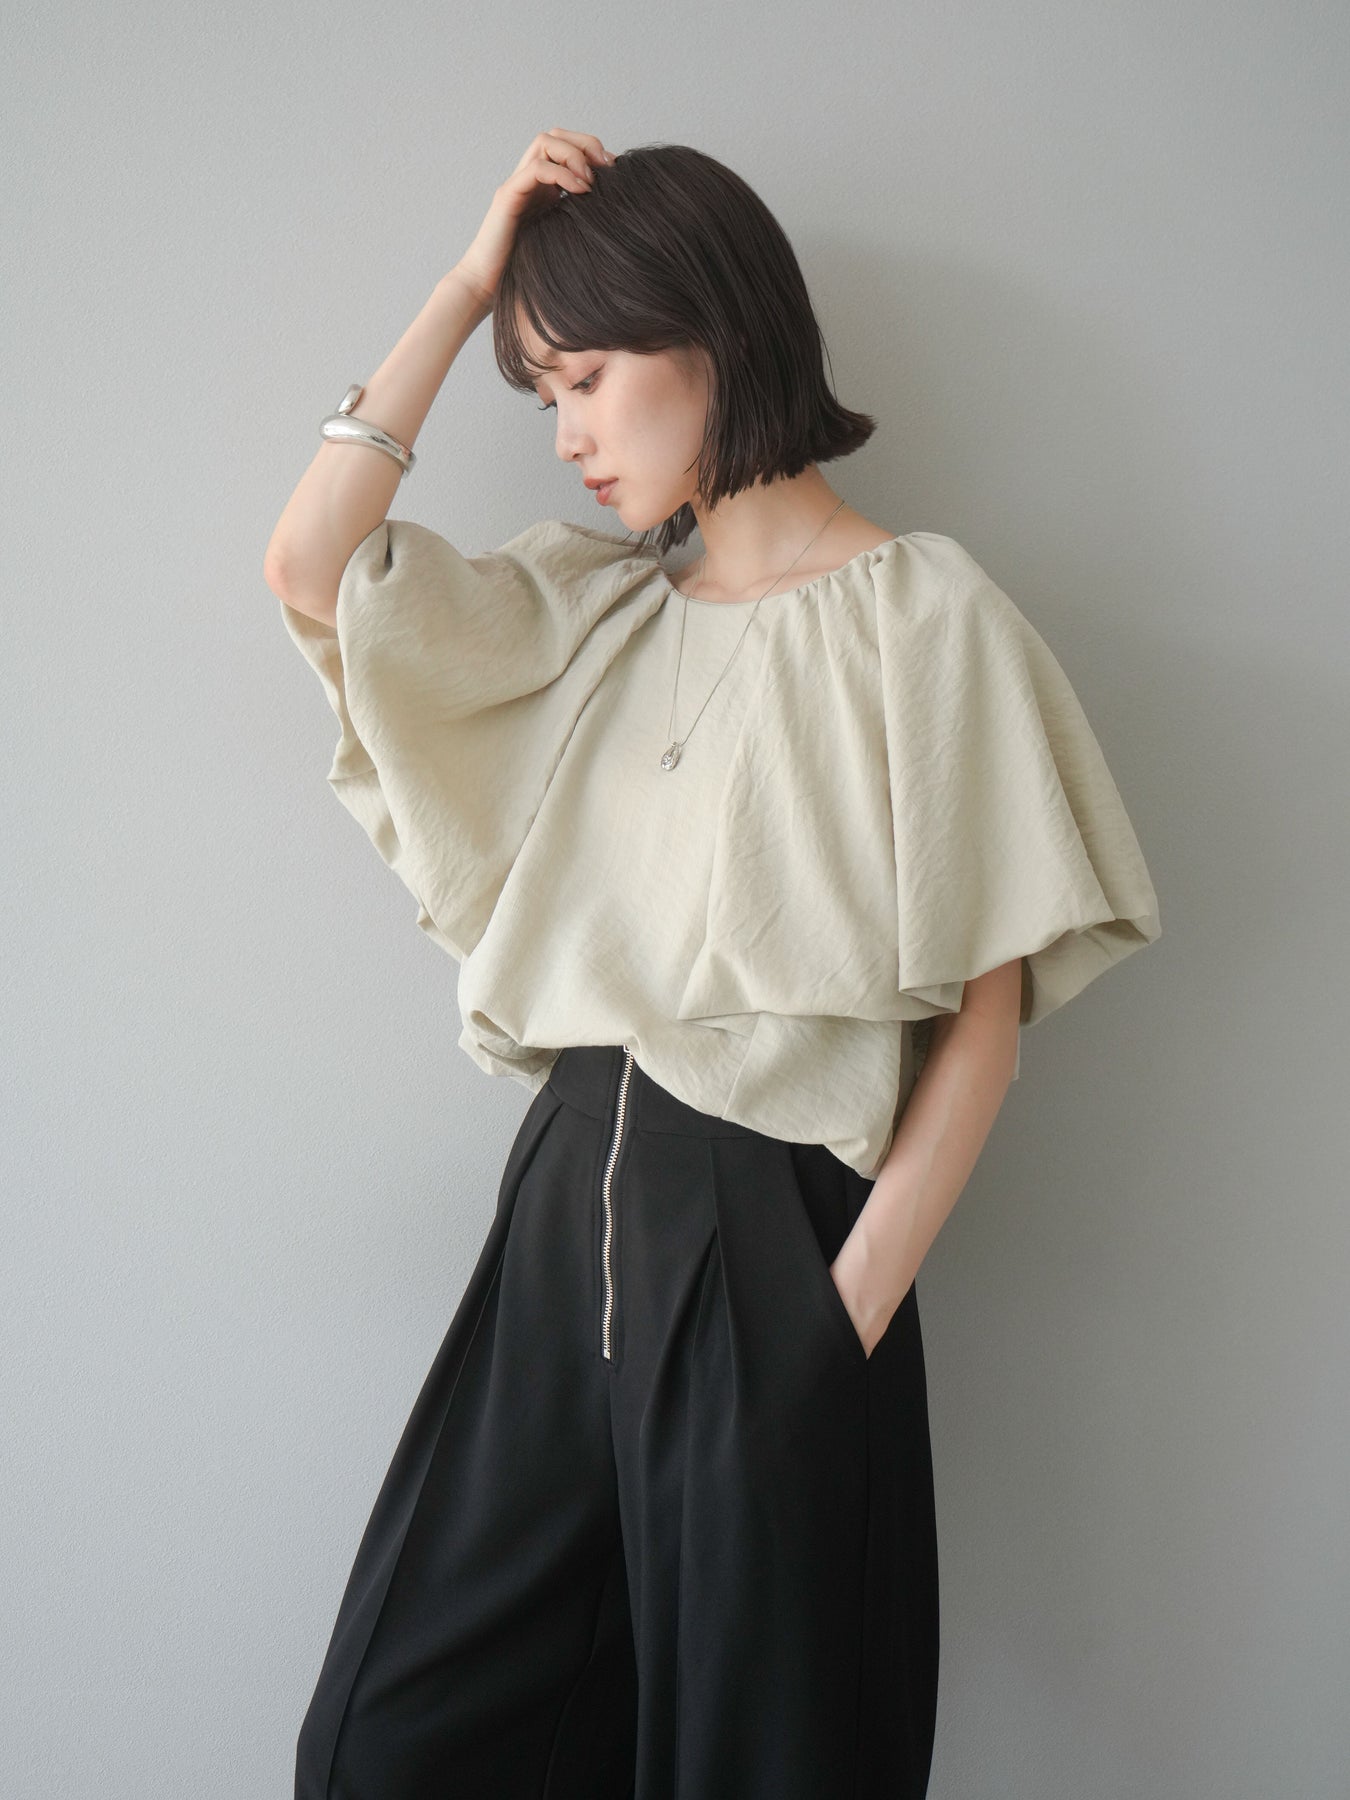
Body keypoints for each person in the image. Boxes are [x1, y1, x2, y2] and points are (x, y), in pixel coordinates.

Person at [264, 131, 1161, 1800]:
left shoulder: (922, 617)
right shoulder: (591, 614)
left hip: (769, 1239)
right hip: (560, 1219)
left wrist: (840, 1315)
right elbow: (312, 570)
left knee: (759, 1756)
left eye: (587, 378)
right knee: (386, 1746)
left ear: (713, 336)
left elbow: (987, 1011)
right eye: (544, 392)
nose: (567, 434)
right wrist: (468, 285)